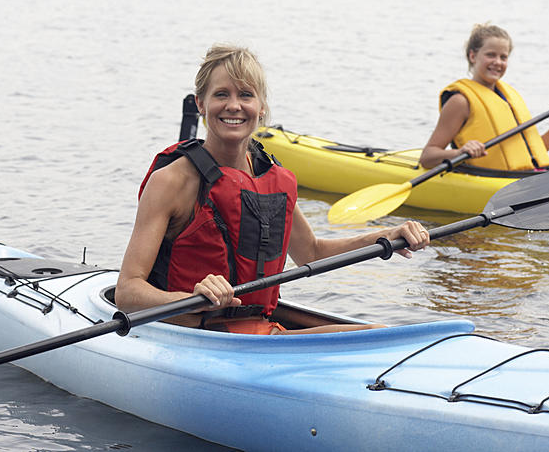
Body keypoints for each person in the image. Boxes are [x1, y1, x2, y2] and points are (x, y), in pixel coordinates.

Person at [116, 44, 429, 335]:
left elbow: (312, 252)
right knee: (376, 337)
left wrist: (380, 237)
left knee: (381, 335)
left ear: (261, 107)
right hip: (192, 333)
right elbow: (128, 292)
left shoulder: (273, 177)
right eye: (221, 94)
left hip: (258, 333)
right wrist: (189, 297)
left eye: (246, 95)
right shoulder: (172, 182)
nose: (234, 106)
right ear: (201, 103)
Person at [419, 23, 549, 171]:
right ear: (473, 56)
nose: (497, 62)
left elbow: (537, 151)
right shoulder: (461, 101)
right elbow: (427, 157)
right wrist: (460, 152)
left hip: (530, 177)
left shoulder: (508, 97)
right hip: (496, 182)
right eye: (491, 55)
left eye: (503, 57)